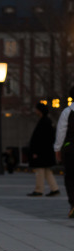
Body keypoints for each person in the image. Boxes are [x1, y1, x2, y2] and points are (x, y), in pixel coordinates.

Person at [27, 102, 60, 197]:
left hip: (41, 152)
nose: (35, 111)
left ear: (40, 111)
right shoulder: (47, 121)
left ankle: (39, 190)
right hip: (46, 152)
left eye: (37, 109)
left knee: (40, 171)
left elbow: (40, 139)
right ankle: (54, 188)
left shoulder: (44, 122)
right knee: (47, 171)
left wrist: (35, 152)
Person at [54, 85, 74, 218]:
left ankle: (73, 203)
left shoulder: (67, 112)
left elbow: (61, 132)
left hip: (71, 148)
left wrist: (57, 149)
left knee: (70, 177)